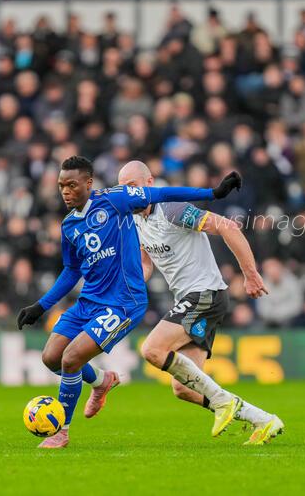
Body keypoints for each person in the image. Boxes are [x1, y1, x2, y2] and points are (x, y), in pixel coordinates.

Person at [16, 156, 243, 448]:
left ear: (89, 183)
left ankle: (61, 431)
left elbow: (161, 193)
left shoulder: (115, 200)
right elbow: (72, 270)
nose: (65, 191)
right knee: (51, 358)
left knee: (71, 358)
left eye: (71, 185)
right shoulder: (69, 225)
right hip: (89, 302)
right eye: (61, 186)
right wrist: (41, 306)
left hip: (122, 302)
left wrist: (213, 193)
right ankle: (101, 381)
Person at [118, 160, 284, 445]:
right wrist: (129, 286)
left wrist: (251, 275)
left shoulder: (171, 209)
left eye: (133, 187)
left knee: (152, 349)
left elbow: (228, 227)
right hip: (190, 298)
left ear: (149, 183)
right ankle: (263, 420)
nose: (128, 194)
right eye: (123, 189)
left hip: (204, 294)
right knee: (183, 388)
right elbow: (146, 262)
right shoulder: (135, 220)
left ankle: (223, 403)